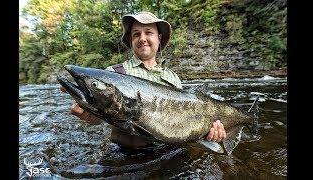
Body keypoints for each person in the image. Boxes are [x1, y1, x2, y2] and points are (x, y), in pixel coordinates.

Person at [60, 11, 226, 149]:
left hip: (167, 153)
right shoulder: (113, 73)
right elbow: (101, 117)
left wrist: (209, 134)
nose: (142, 38)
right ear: (131, 40)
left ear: (159, 38)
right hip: (125, 156)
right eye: (136, 34)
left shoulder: (172, 78)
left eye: (149, 32)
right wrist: (89, 117)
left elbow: (188, 123)